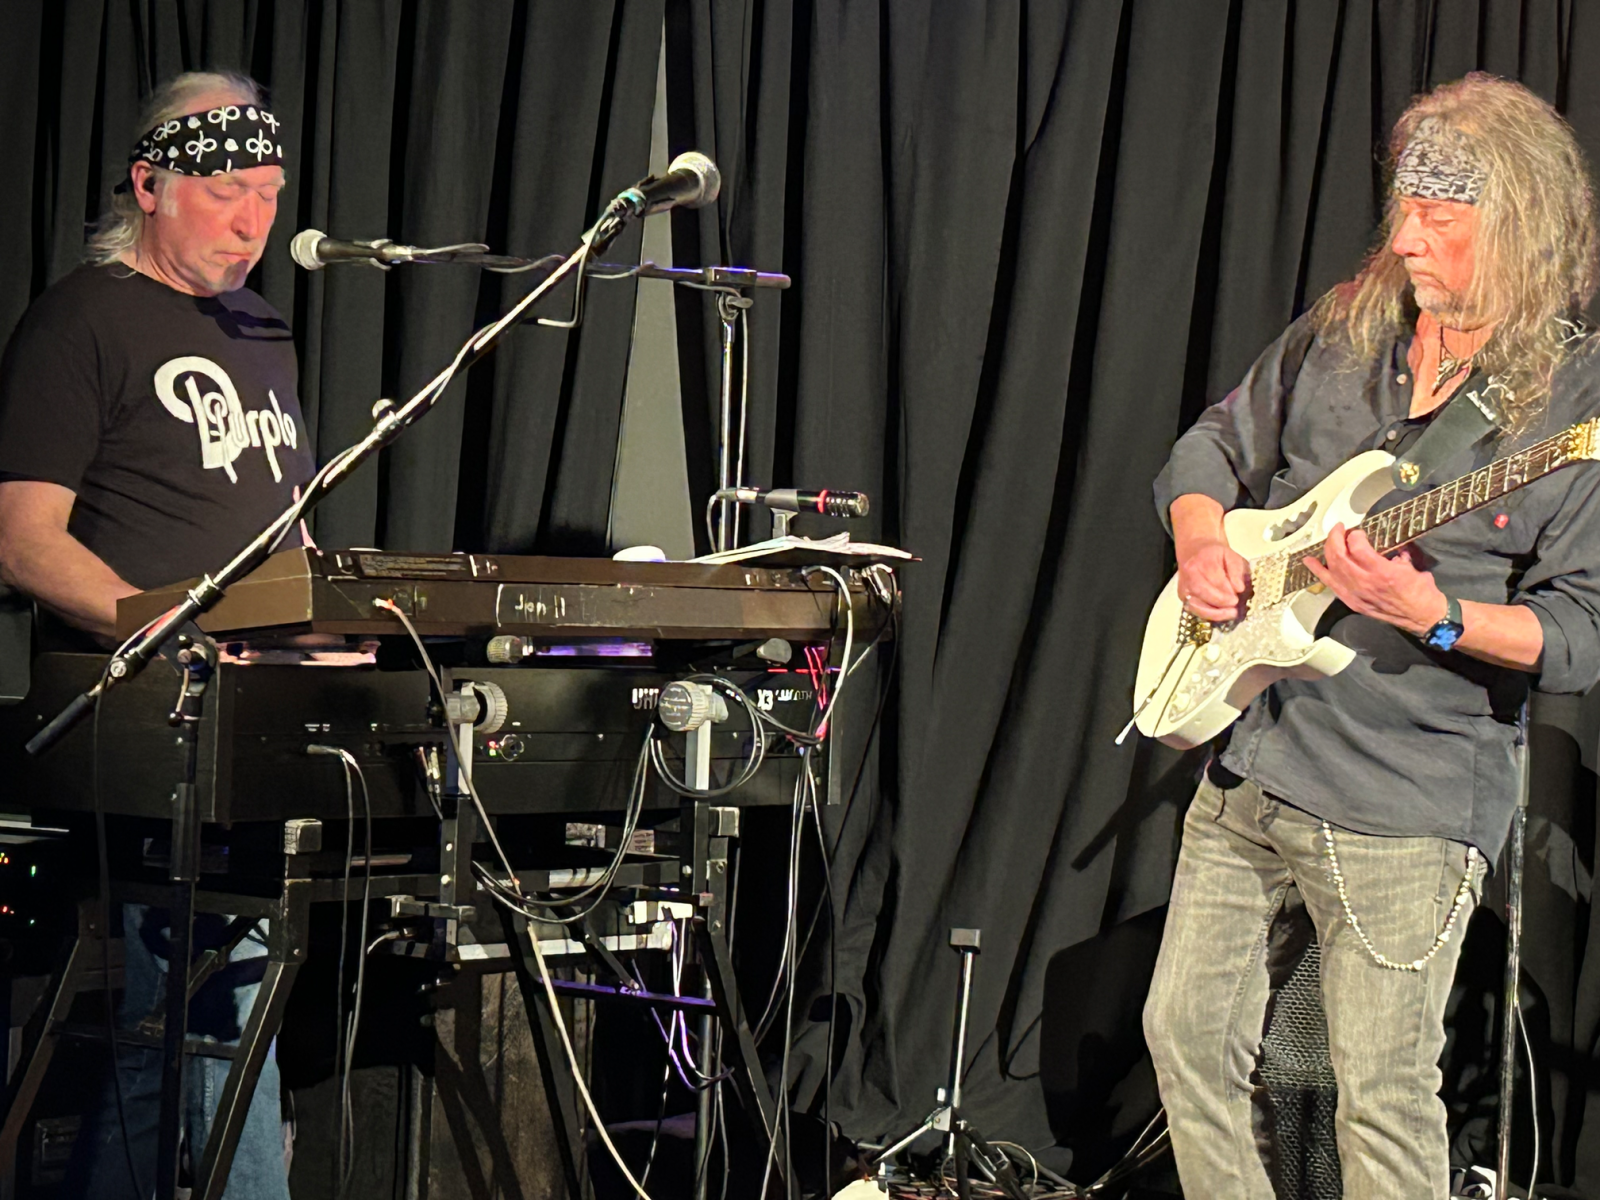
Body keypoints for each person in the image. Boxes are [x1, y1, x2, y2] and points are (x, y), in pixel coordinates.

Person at [1143, 74, 1600, 1199]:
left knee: (1382, 1099)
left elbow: (1579, 635)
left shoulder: (1570, 405)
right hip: (1255, 756)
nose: (1403, 240)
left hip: (1406, 800)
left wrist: (1431, 613)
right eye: (1403, 210)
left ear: (1520, 224)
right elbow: (1212, 444)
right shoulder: (1348, 328)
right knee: (1185, 1038)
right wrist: (1201, 539)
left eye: (1439, 219)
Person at [0, 70, 310, 1199]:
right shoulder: (80, 319)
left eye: (269, 193)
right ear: (149, 184)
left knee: (170, 1033)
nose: (252, 221)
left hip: (255, 707)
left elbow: (281, 519)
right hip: (142, 712)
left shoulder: (261, 327)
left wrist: (325, 627)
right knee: (215, 1012)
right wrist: (168, 631)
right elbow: (25, 543)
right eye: (227, 191)